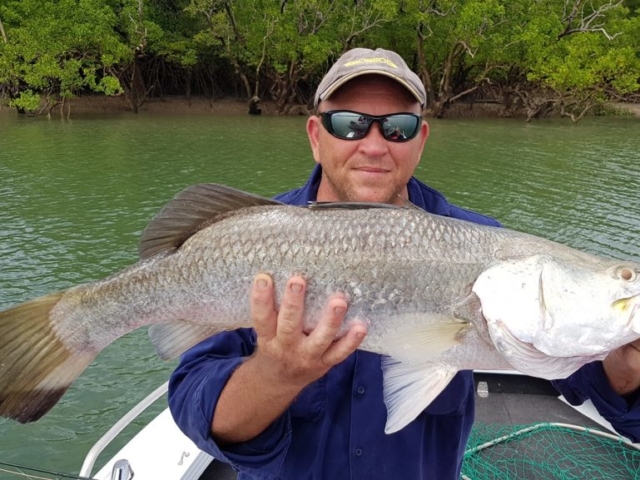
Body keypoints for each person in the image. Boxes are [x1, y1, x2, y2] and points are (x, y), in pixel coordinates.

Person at [168, 48, 640, 479]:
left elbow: (596, 382)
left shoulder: (481, 240)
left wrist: (624, 368)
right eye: (349, 124)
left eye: (398, 127)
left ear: (421, 139)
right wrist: (274, 376)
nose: (374, 145)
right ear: (316, 135)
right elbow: (196, 410)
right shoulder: (246, 241)